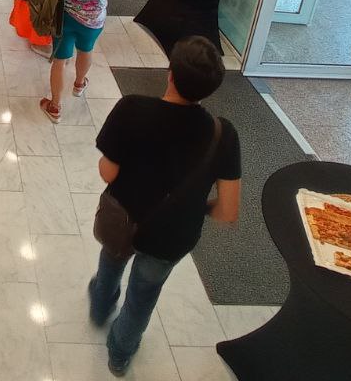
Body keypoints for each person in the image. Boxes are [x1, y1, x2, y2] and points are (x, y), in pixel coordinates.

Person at [89, 36, 241, 376]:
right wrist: (194, 206)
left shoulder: (131, 109)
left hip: (123, 218)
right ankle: (119, 354)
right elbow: (228, 211)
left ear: (170, 73)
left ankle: (100, 306)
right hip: (172, 235)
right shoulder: (223, 135)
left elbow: (107, 172)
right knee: (143, 297)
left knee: (111, 263)